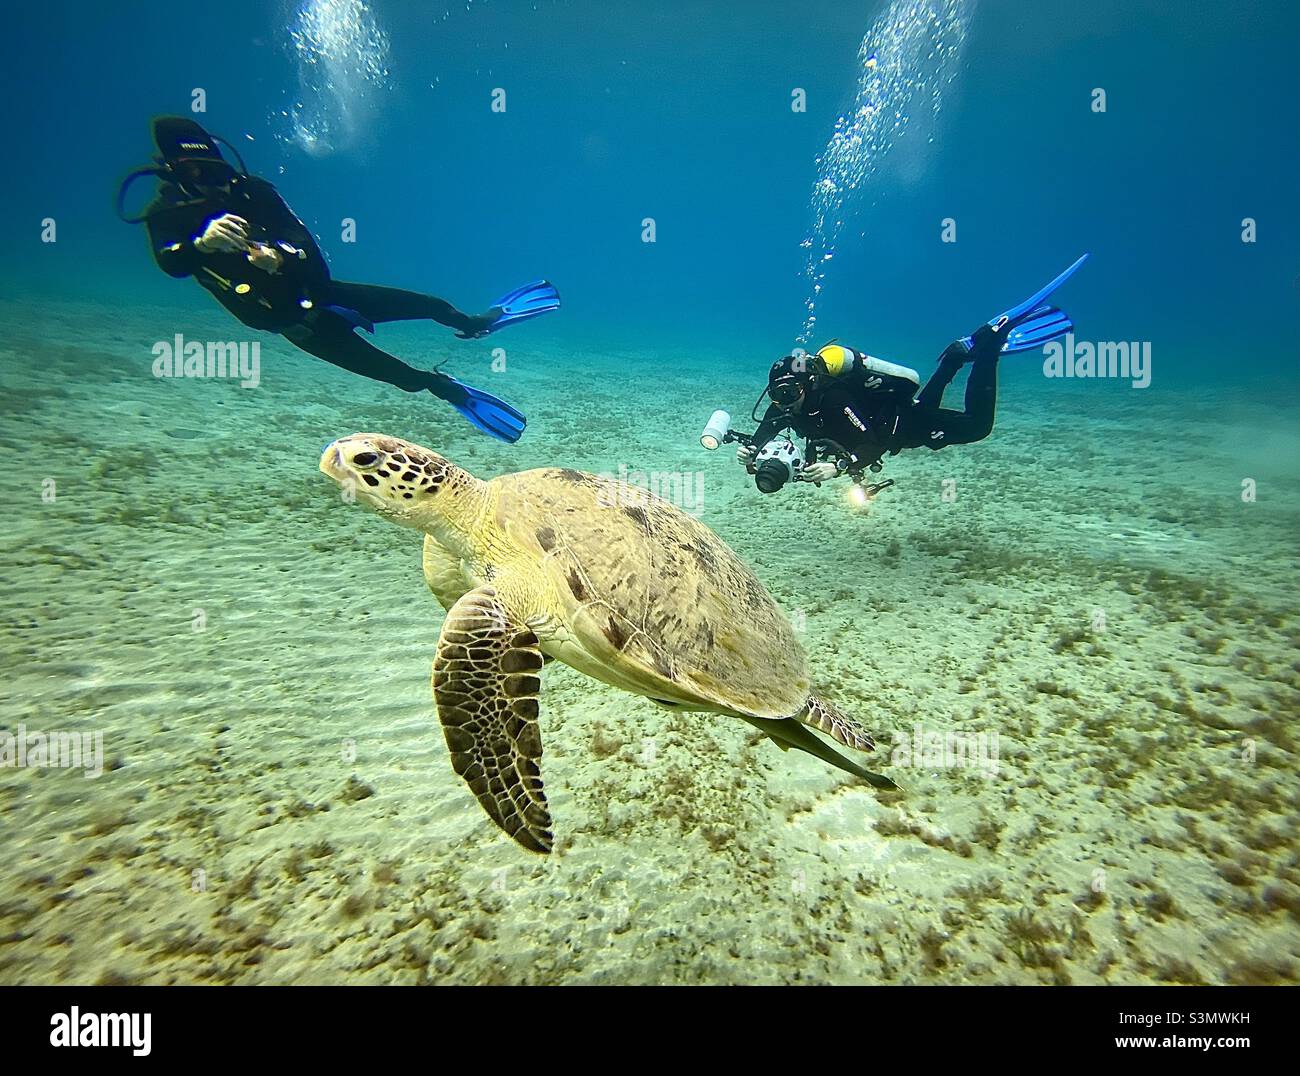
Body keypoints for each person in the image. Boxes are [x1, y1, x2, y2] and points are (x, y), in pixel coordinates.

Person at [118, 116, 560, 442]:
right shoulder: (167, 214)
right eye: (193, 174)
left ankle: (477, 322)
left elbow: (305, 246)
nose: (209, 184)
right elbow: (171, 263)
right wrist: (201, 245)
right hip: (291, 321)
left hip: (320, 290)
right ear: (172, 172)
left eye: (213, 171)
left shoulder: (254, 192)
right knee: (400, 375)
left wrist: (281, 256)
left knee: (430, 304)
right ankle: (449, 390)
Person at [738, 256, 1088, 485]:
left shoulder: (833, 399)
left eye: (790, 393)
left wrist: (841, 466)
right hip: (902, 416)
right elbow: (769, 427)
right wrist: (752, 449)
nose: (784, 402)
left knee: (977, 427)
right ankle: (953, 358)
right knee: (924, 405)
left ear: (808, 384)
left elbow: (870, 443)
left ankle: (989, 346)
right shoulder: (786, 404)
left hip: (904, 426)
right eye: (778, 394)